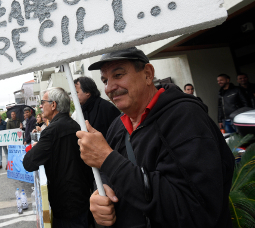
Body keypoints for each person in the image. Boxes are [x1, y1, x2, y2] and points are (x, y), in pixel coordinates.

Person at [76, 47, 235, 227]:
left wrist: (108, 159)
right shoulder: (118, 125)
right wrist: (101, 194)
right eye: (105, 80)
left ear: (148, 74)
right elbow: (107, 175)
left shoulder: (186, 118)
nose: (110, 87)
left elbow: (192, 210)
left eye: (118, 75)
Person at [24, 87, 94, 228]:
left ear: (54, 105)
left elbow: (28, 163)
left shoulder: (51, 131)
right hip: (83, 197)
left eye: (43, 102)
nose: (41, 106)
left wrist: (37, 147)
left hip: (65, 203)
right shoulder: (75, 125)